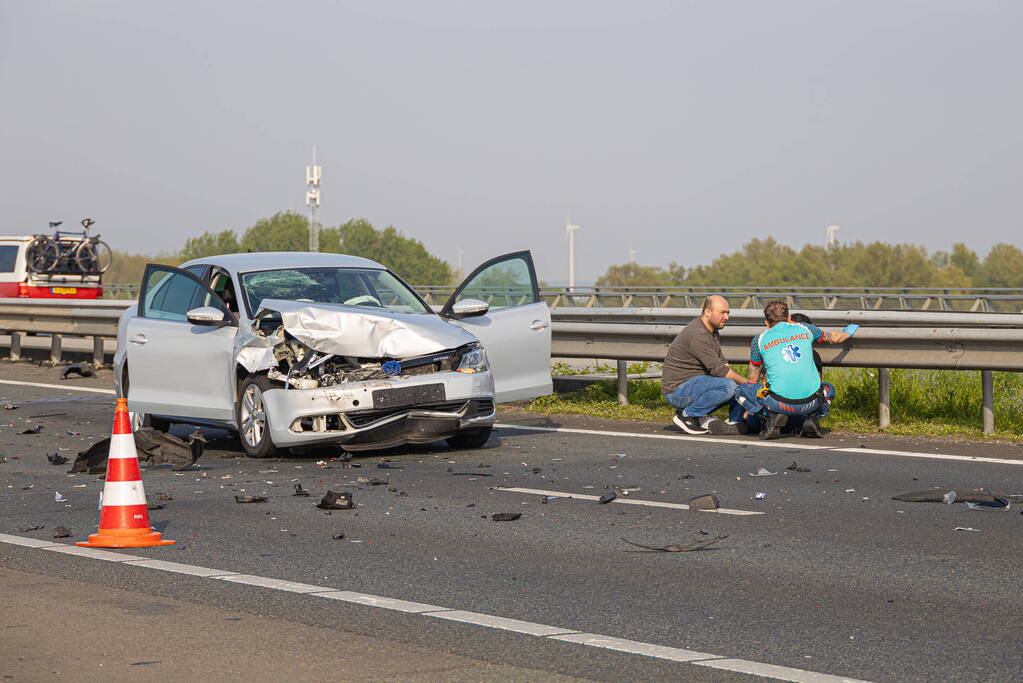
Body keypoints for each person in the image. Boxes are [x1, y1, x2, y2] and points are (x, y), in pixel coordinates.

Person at [731, 301, 857, 439]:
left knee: (739, 390)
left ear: (766, 322)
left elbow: (753, 378)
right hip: (810, 403)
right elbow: (834, 338)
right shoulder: (805, 328)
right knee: (829, 388)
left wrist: (754, 407)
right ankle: (813, 418)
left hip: (777, 403)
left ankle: (770, 417)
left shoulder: (759, 340)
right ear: (789, 318)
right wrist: (848, 332)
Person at [662, 295, 754, 434]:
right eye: (722, 312)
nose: (727, 317)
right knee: (728, 385)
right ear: (707, 312)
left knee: (737, 387)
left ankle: (736, 422)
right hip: (678, 392)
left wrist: (744, 388)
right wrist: (750, 384)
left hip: (694, 386)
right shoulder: (698, 334)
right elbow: (719, 371)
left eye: (728, 313)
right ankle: (688, 416)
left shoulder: (711, 331)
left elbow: (723, 364)